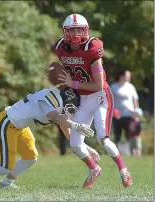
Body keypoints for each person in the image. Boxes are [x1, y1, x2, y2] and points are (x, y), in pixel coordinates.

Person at [52, 13, 132, 188]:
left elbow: (98, 84)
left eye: (79, 29)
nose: (76, 34)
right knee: (74, 144)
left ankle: (123, 170)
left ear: (86, 30)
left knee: (103, 138)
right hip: (83, 98)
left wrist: (71, 83)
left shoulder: (92, 47)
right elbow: (68, 71)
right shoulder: (60, 47)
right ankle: (94, 168)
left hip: (101, 96)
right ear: (65, 32)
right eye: (72, 30)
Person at [0, 87, 97, 188]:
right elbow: (55, 116)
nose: (71, 112)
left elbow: (67, 132)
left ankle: (5, 184)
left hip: (19, 126)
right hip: (7, 122)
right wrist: (76, 125)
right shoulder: (51, 100)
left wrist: (87, 148)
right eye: (71, 107)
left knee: (30, 157)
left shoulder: (57, 101)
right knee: (5, 167)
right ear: (66, 101)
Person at [110, 70, 143, 157]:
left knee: (132, 135)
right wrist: (112, 112)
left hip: (130, 116)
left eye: (129, 76)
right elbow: (110, 101)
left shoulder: (131, 87)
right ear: (121, 76)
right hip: (118, 116)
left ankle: (134, 153)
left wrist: (136, 114)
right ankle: (114, 154)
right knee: (117, 135)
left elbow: (135, 100)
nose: (129, 77)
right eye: (127, 76)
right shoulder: (114, 87)